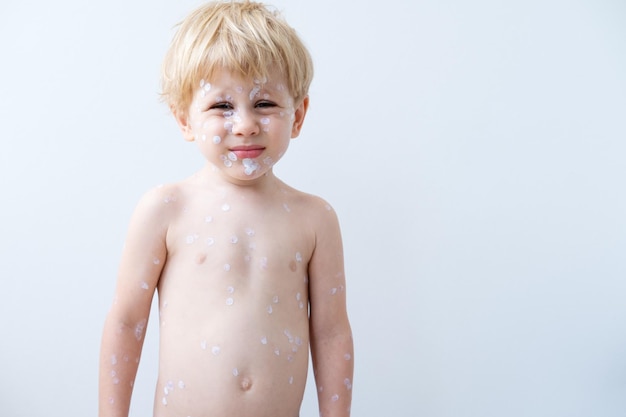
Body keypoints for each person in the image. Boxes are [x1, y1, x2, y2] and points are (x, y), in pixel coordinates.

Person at [98, 1, 353, 416]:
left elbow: (331, 333)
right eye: (222, 106)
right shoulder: (166, 209)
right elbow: (126, 322)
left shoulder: (314, 219)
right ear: (185, 119)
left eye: (265, 104)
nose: (245, 124)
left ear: (298, 115)